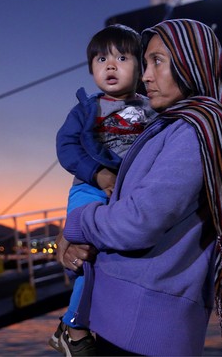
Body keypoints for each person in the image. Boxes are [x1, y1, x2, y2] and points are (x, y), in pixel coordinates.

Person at [56, 19, 222, 355]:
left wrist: (77, 223)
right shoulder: (181, 125)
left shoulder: (192, 132)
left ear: (191, 63)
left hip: (142, 328)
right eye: (145, 64)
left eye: (157, 61)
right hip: (133, 320)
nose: (145, 75)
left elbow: (137, 221)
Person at [49, 24, 156, 355]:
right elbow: (66, 146)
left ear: (140, 67)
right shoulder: (86, 109)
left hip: (128, 195)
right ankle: (73, 327)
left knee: (119, 260)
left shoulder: (153, 109)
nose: (110, 65)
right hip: (89, 189)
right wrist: (97, 175)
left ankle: (105, 324)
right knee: (86, 257)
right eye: (101, 59)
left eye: (122, 57)